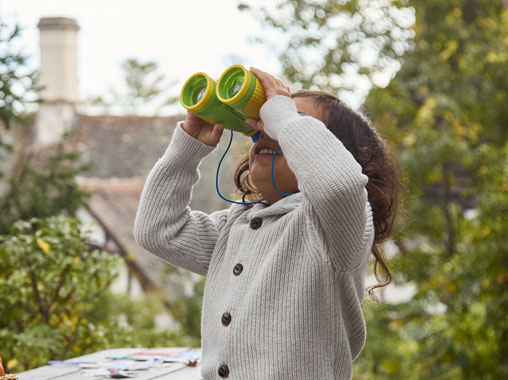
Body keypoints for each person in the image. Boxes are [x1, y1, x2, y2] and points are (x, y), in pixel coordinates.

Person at [134, 67, 403, 380]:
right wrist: (188, 146)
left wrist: (283, 116)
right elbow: (157, 230)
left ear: (337, 153)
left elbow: (339, 186)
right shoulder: (236, 226)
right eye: (261, 125)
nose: (267, 132)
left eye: (292, 123)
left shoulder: (336, 229)